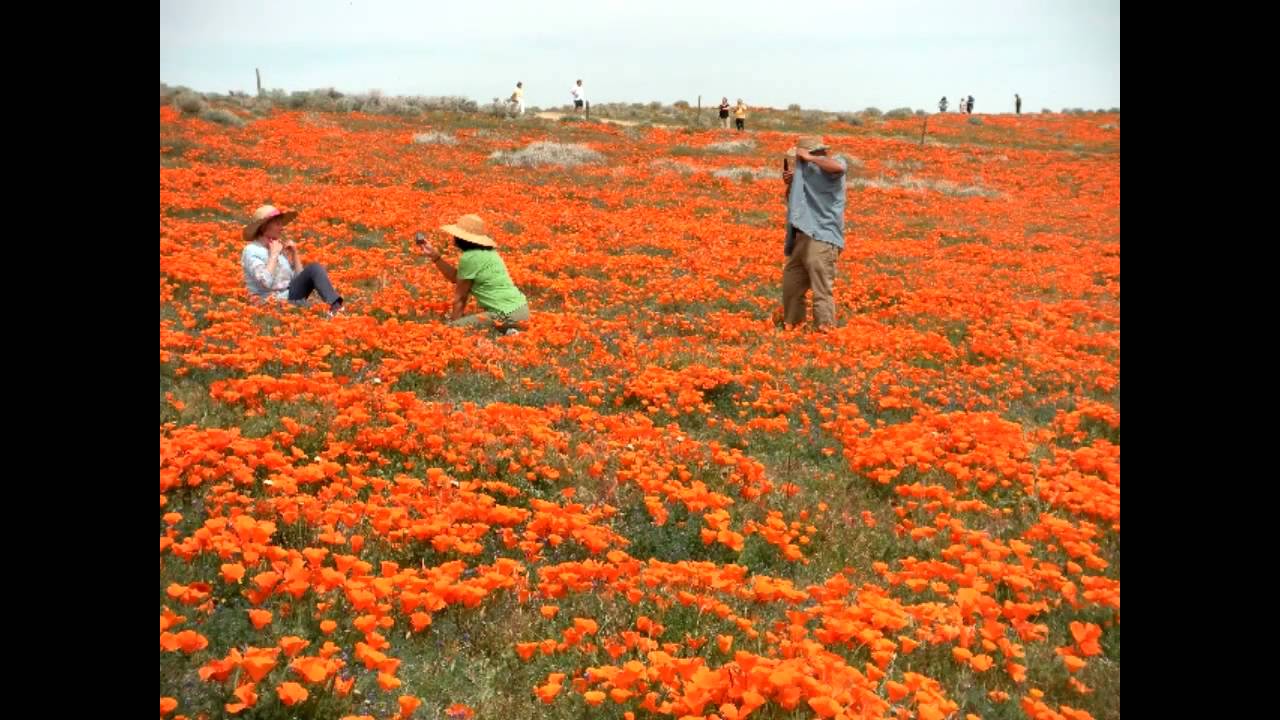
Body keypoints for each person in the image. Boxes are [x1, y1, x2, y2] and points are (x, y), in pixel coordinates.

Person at [418, 214, 530, 331]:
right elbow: (456, 278)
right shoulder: (490, 252)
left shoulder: (469, 257)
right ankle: (510, 330)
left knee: (456, 329)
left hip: (504, 314)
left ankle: (509, 329)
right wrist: (435, 256)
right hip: (522, 311)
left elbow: (461, 297)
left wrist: (454, 326)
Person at [781, 137, 847, 330]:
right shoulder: (805, 174)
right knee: (791, 286)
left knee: (821, 288)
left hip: (822, 237)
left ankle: (825, 331)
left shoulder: (836, 164)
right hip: (801, 237)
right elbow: (795, 205)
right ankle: (793, 325)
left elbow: (838, 168)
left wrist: (808, 158)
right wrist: (791, 184)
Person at [241, 205, 344, 315]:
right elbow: (265, 282)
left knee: (314, 268)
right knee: (314, 269)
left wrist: (295, 254)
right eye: (278, 224)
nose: (282, 227)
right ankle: (336, 309)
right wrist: (274, 255)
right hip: (268, 302)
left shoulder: (277, 247)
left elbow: (298, 279)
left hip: (287, 297)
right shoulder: (252, 251)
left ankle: (336, 306)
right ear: (263, 227)